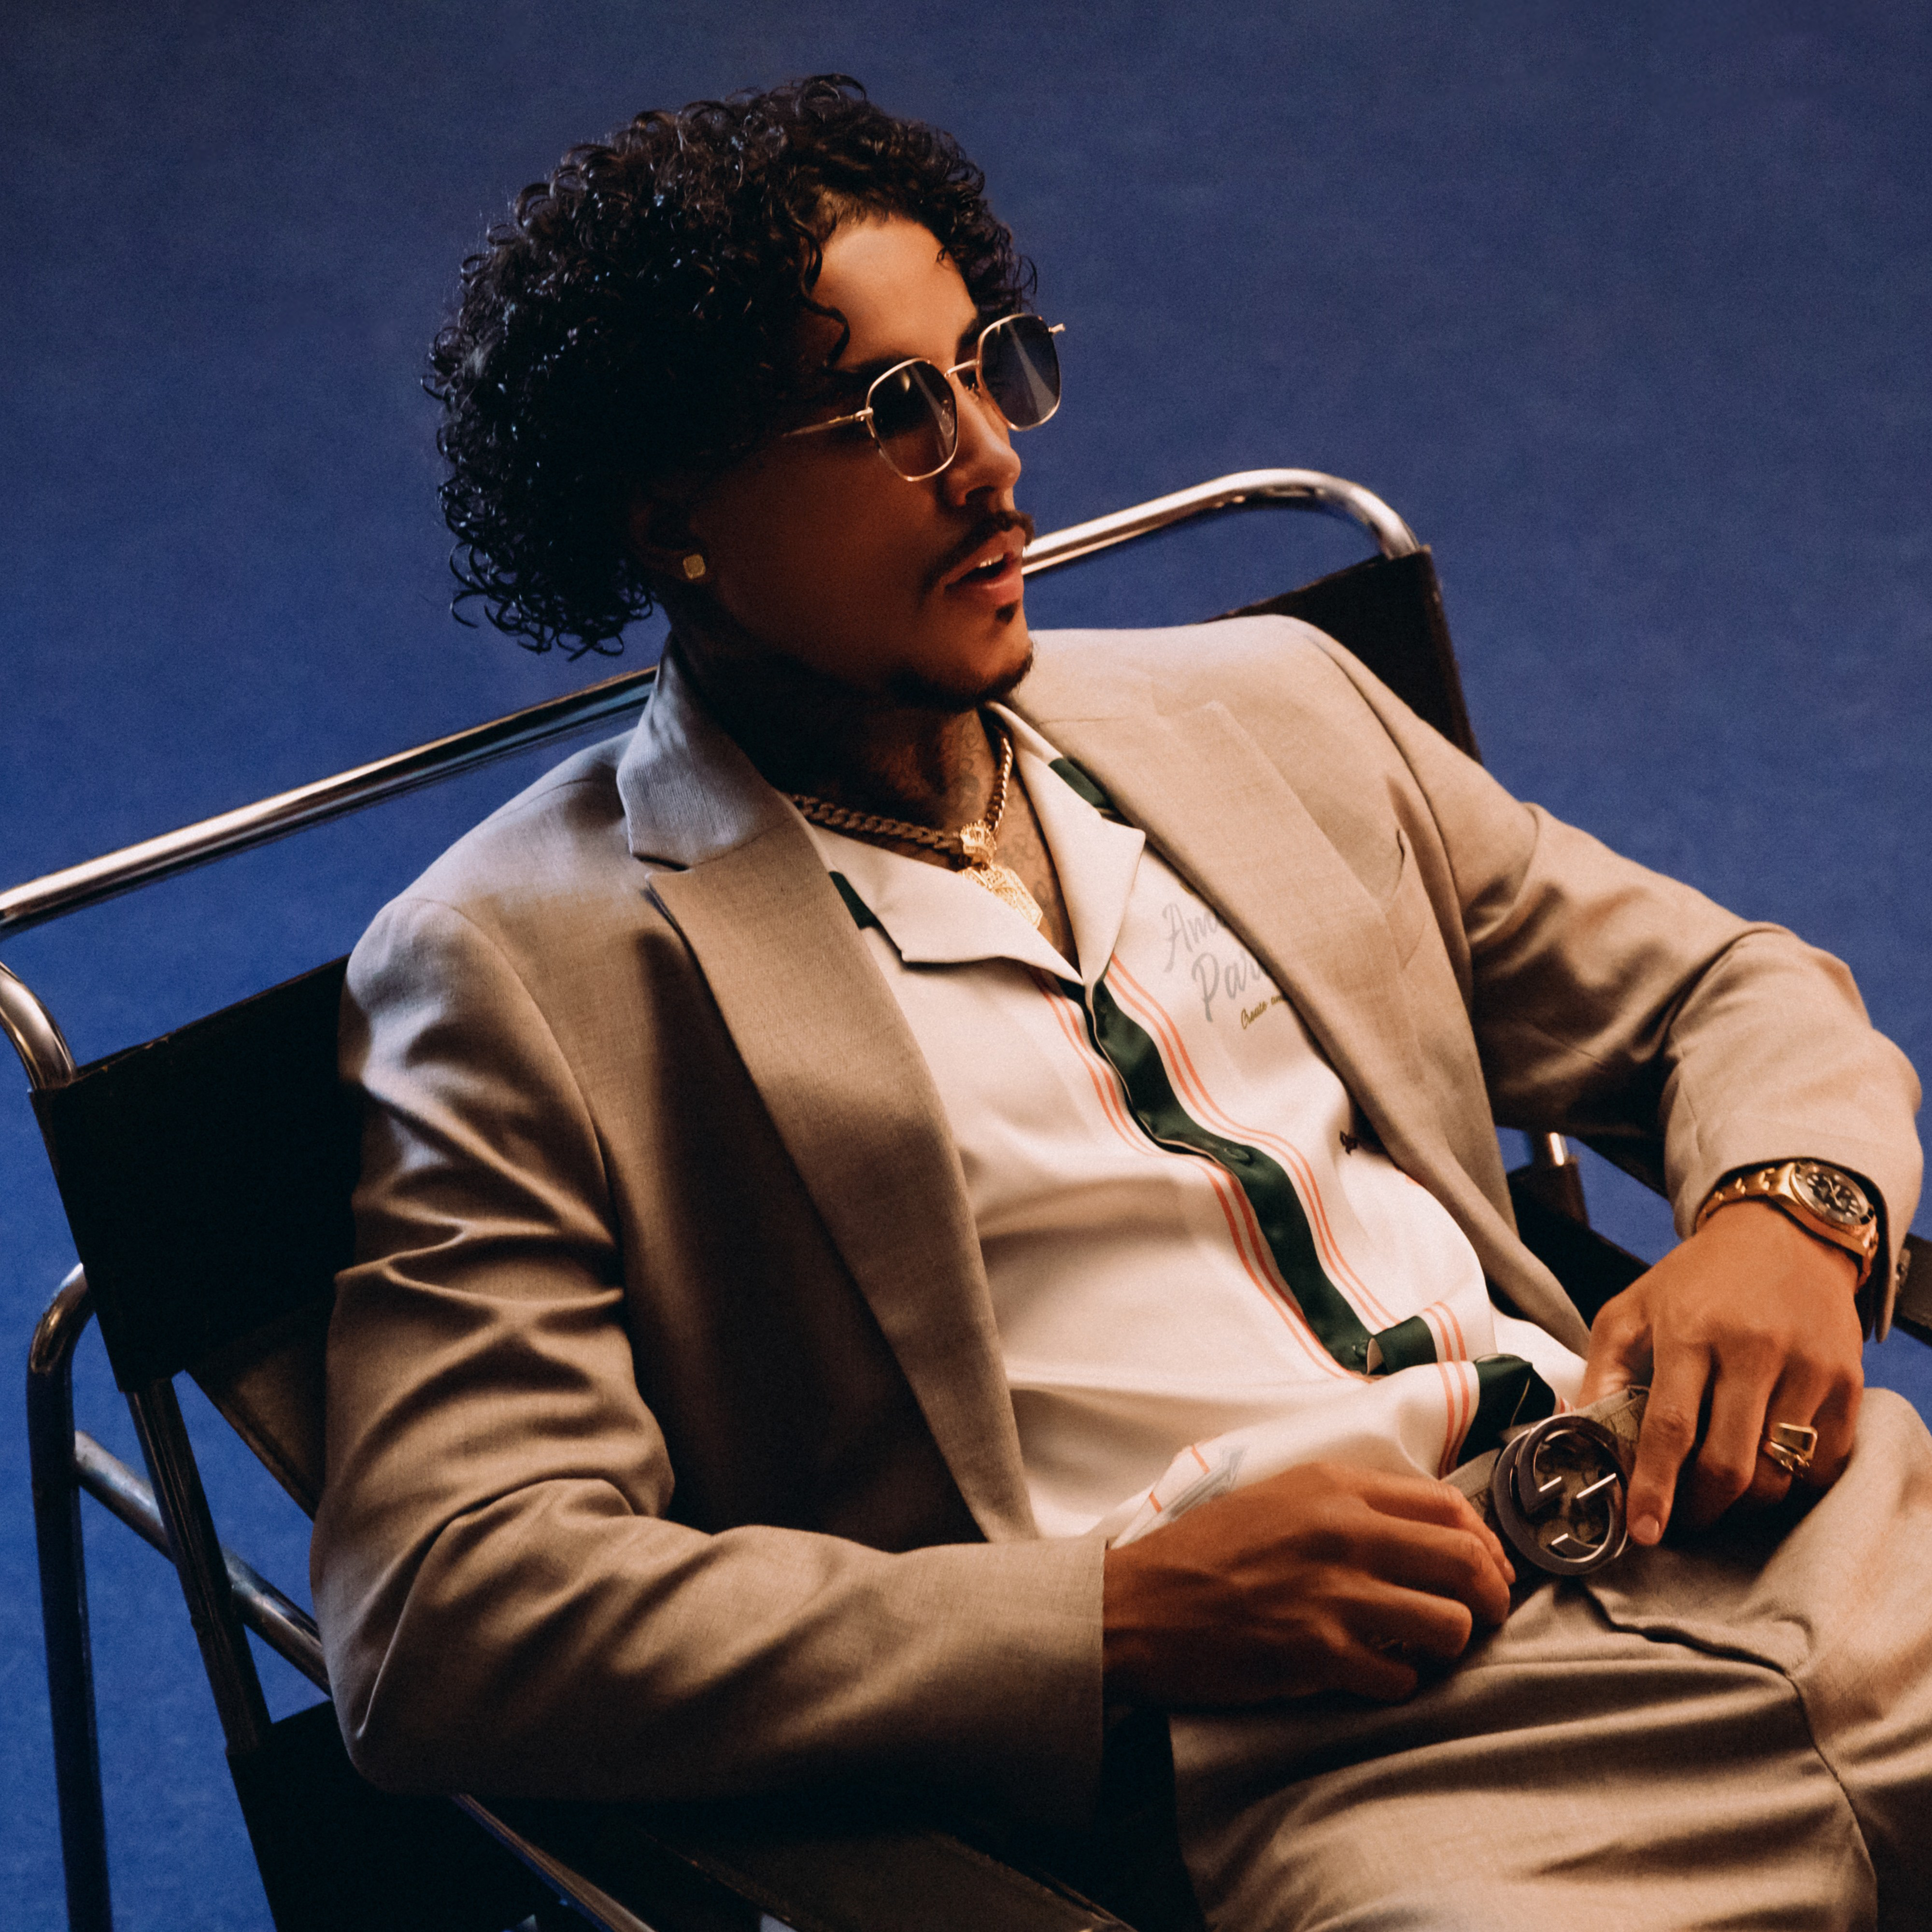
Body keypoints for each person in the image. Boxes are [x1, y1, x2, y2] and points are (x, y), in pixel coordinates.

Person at [311, 77, 1931, 1929]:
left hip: (1795, 1542)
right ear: (681, 519)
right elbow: (450, 1601)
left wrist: (1793, 1213)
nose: (992, 459)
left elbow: (1721, 988)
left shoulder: (1267, 706)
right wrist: (1102, 1620)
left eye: (988, 371)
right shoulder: (523, 965)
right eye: (892, 414)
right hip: (1380, 1753)